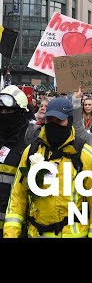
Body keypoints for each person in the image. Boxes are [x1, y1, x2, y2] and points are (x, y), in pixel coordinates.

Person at [4, 97, 92, 238]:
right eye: (50, 120)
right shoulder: (31, 152)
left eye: (59, 121)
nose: (54, 125)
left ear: (69, 121)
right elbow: (17, 198)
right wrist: (11, 234)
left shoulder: (87, 156)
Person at [0, 86, 31, 237]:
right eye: (1, 111)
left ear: (21, 112)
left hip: (16, 224)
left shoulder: (30, 138)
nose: (4, 114)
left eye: (8, 111)